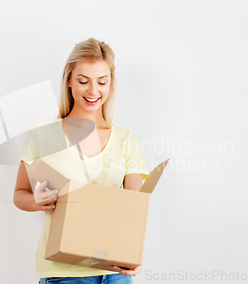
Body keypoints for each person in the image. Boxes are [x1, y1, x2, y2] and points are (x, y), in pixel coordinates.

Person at [13, 38, 150, 284]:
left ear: (111, 84)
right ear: (69, 80)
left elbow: (134, 210)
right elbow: (19, 194)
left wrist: (134, 255)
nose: (93, 91)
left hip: (114, 273)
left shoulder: (127, 140)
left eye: (101, 82)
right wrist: (37, 200)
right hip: (64, 272)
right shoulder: (42, 134)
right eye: (83, 81)